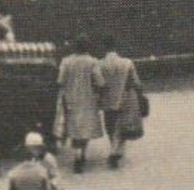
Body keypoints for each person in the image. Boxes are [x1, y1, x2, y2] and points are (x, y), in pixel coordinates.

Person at [56, 36, 106, 172]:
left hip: (71, 99)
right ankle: (81, 154)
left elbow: (60, 80)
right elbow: (100, 81)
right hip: (88, 100)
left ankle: (78, 154)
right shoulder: (92, 62)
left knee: (74, 128)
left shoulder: (66, 61)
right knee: (85, 129)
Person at [98, 36, 145, 168]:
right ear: (116, 47)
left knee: (110, 126)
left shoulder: (99, 64)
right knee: (123, 126)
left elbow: (98, 82)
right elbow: (136, 82)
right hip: (125, 98)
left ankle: (114, 149)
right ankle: (117, 152)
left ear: (104, 47)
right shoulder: (127, 62)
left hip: (107, 99)